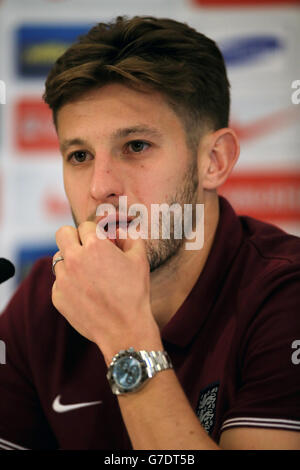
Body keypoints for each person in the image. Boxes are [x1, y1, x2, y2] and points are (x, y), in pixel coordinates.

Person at [0, 15, 299, 451]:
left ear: (214, 160)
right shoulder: (46, 297)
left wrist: (125, 335)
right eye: (80, 154)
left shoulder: (286, 294)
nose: (101, 186)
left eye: (136, 146)